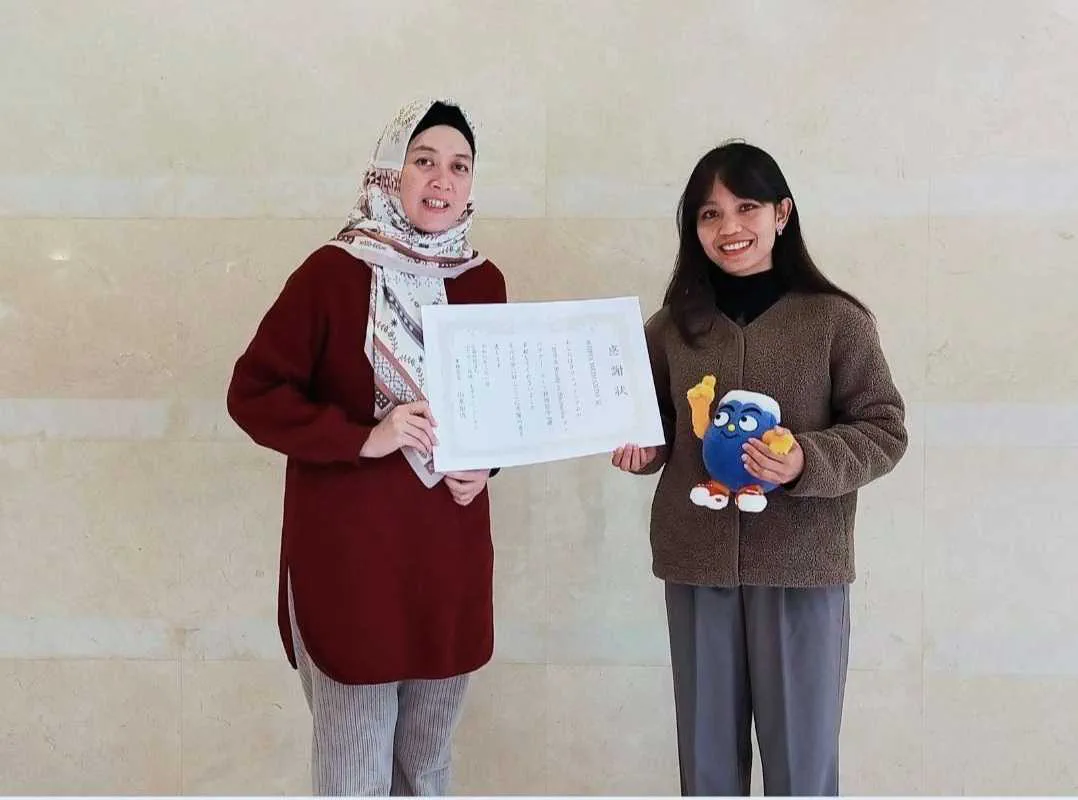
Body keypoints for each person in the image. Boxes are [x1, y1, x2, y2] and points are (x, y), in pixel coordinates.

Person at [226, 99, 506, 796]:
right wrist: (364, 437)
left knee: (427, 762)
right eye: (423, 161)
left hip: (447, 556)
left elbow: (498, 408)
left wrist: (485, 462)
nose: (441, 180)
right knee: (355, 765)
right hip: (350, 560)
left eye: (459, 166)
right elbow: (253, 393)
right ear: (389, 172)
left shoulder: (481, 282)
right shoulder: (331, 274)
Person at [612, 141, 907, 796]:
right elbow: (658, 429)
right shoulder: (672, 328)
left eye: (746, 207)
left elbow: (884, 428)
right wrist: (643, 452)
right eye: (709, 214)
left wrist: (805, 460)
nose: (729, 227)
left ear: (782, 214)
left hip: (802, 569)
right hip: (698, 565)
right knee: (707, 769)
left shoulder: (836, 320)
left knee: (802, 769)